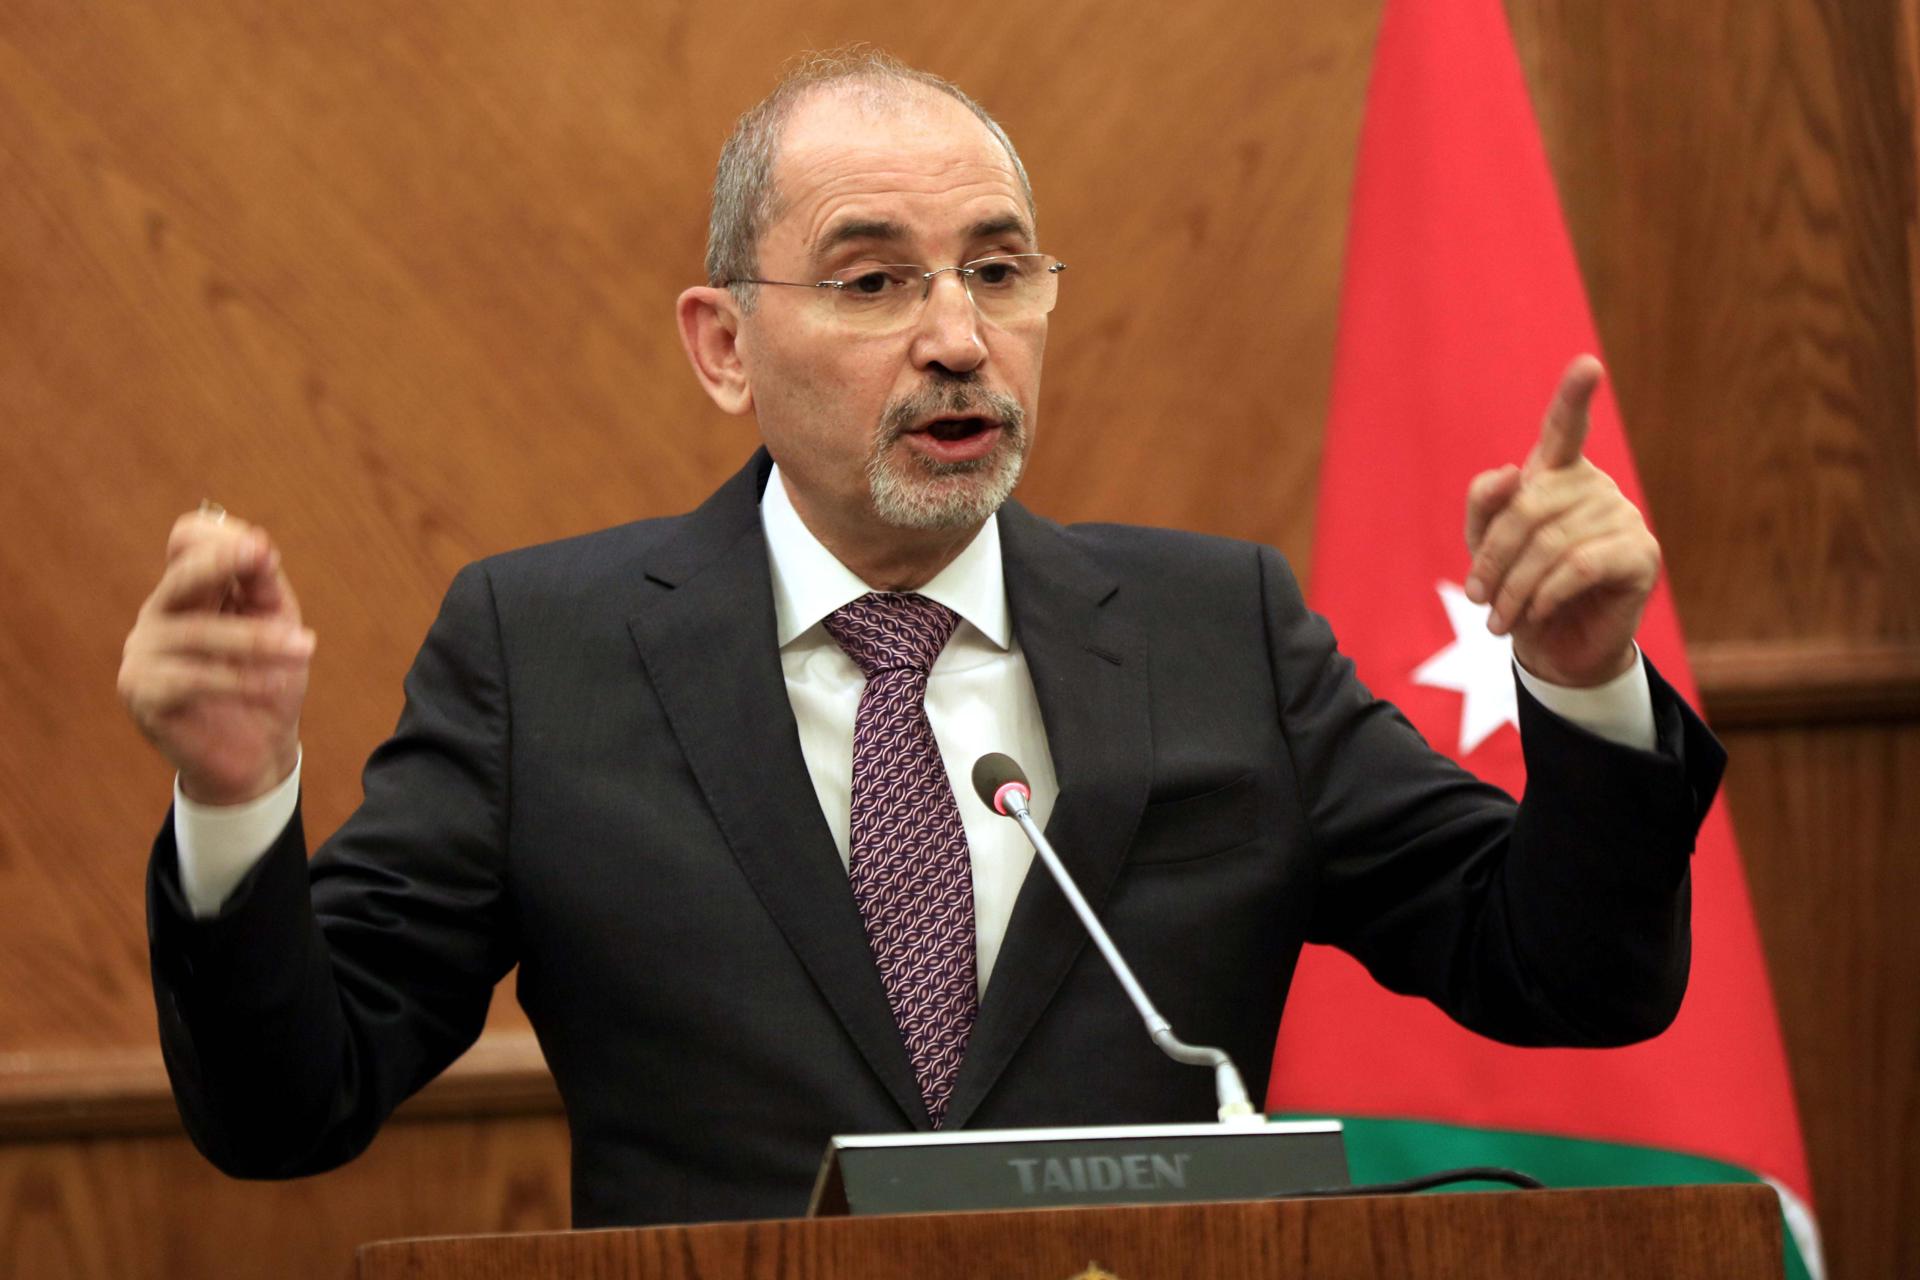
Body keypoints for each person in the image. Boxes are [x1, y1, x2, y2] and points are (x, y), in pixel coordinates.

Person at [119, 51, 1722, 1227]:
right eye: (875, 279)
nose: (959, 339)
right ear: (726, 345)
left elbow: (1565, 979)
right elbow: (290, 1107)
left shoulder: (1211, 629)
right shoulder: (547, 655)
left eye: (1000, 271)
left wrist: (1580, 681)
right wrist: (237, 808)